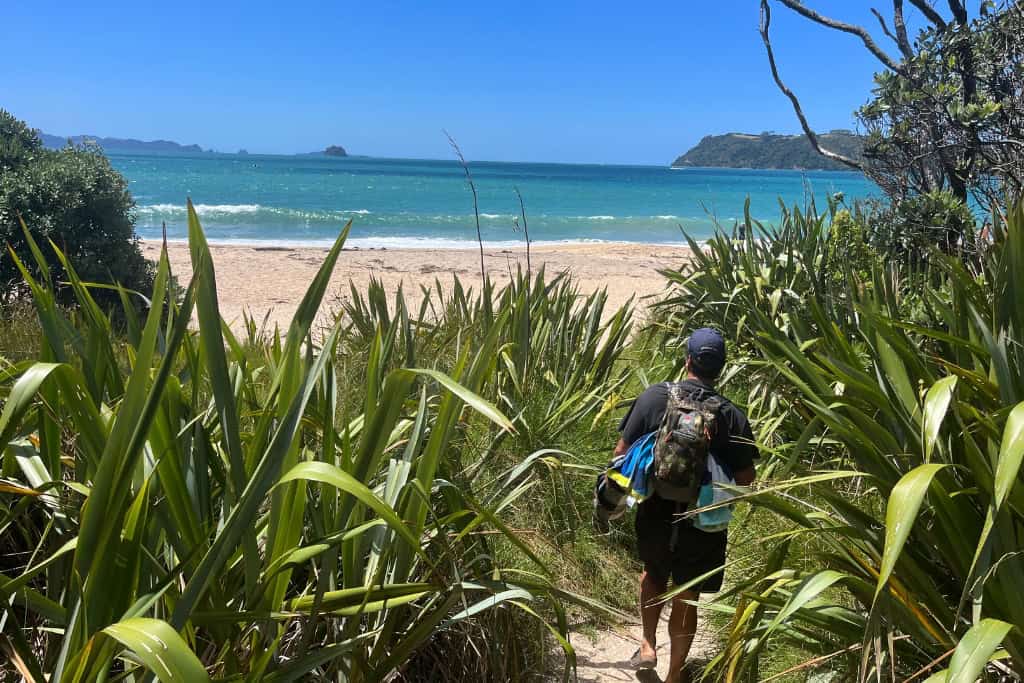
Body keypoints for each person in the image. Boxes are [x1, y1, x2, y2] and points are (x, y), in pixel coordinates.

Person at [615, 328, 758, 683]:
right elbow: (745, 479)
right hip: (702, 517)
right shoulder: (730, 415)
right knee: (687, 591)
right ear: (721, 368)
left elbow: (620, 454)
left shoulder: (654, 398)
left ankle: (647, 644)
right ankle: (675, 673)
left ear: (687, 359)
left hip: (656, 506)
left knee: (654, 572)